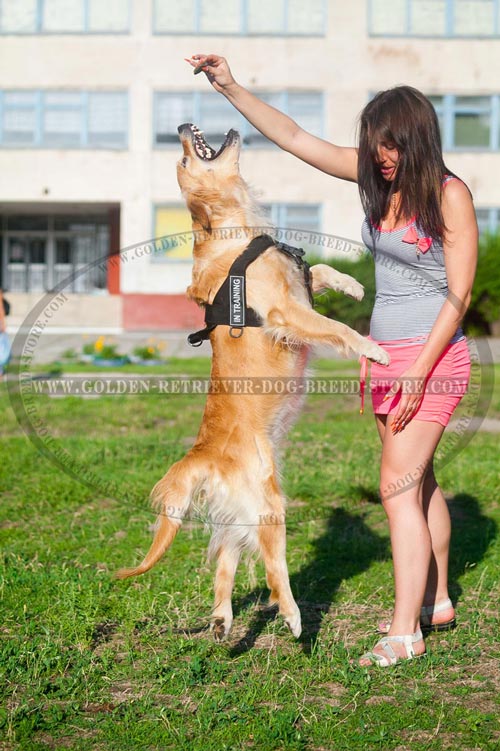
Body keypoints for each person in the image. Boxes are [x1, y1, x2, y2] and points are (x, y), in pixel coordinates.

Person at [186, 55, 478, 666]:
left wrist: (418, 370)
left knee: (395, 490)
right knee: (419, 483)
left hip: (433, 359)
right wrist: (232, 86)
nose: (381, 158)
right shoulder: (377, 181)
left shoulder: (450, 196)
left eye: (392, 146)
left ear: (418, 138)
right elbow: (293, 138)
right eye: (374, 146)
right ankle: (439, 599)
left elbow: (459, 296)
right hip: (385, 354)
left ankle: (405, 632)